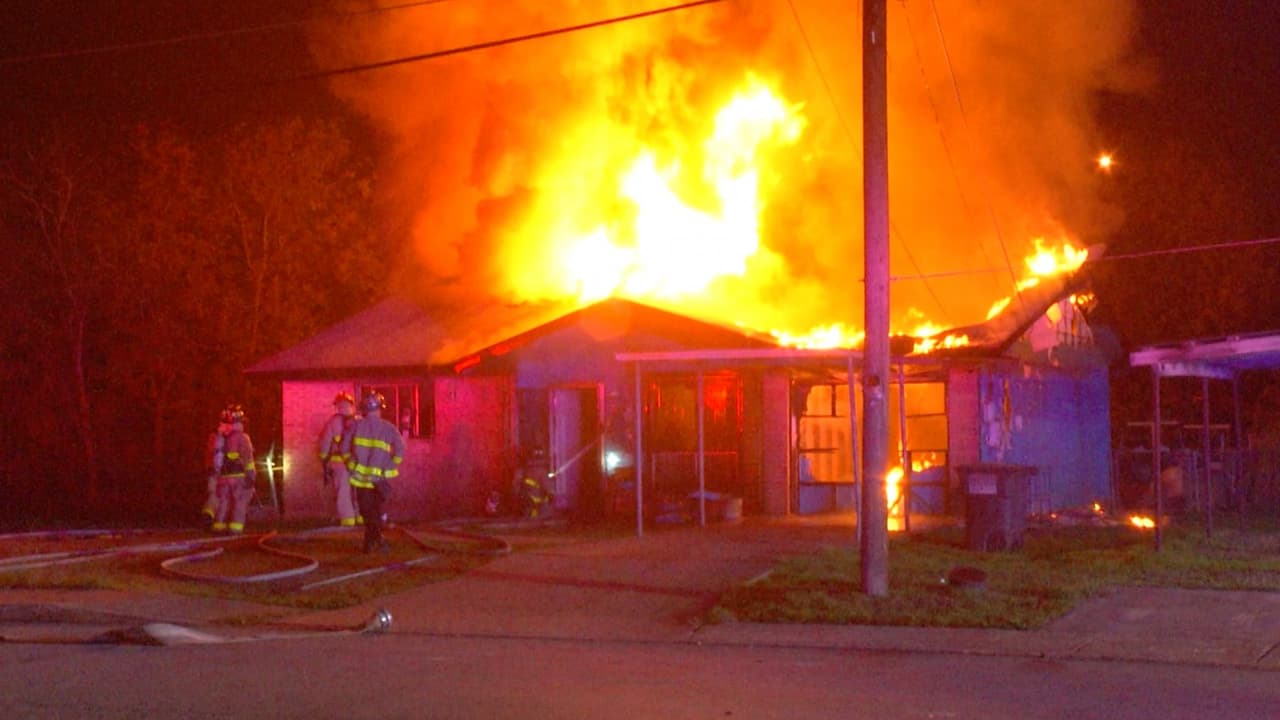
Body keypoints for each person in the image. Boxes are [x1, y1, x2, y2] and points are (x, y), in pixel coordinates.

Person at [342, 391, 405, 553]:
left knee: (366, 511)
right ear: (380, 409)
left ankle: (371, 542)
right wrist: (390, 466)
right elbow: (400, 450)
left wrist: (351, 464)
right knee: (376, 510)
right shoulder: (389, 428)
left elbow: (343, 448)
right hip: (379, 479)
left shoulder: (355, 426)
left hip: (361, 480)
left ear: (364, 409)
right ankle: (374, 541)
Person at [317, 391, 361, 527]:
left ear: (337, 406)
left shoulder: (333, 422)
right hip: (358, 462)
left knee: (343, 491)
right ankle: (361, 517)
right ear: (352, 405)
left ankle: (348, 520)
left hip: (340, 463)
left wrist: (323, 459)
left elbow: (325, 443)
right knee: (359, 490)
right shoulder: (360, 420)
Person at [211, 404, 256, 534]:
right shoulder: (242, 437)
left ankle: (218, 527)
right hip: (239, 476)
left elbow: (216, 456)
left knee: (223, 502)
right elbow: (248, 458)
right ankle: (235, 529)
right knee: (240, 502)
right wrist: (251, 475)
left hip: (223, 476)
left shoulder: (219, 437)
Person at [201, 408, 232, 524]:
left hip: (214, 471)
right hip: (221, 472)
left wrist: (209, 468)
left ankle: (208, 516)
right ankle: (213, 519)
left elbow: (209, 454)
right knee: (221, 496)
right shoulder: (223, 437)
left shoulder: (213, 436)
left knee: (214, 496)